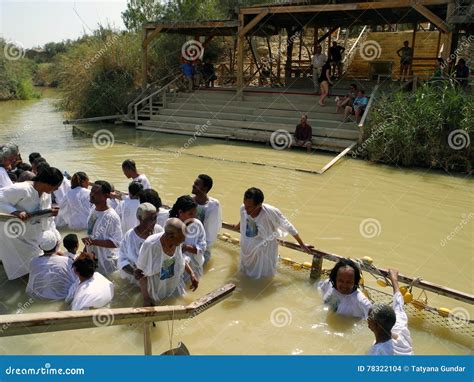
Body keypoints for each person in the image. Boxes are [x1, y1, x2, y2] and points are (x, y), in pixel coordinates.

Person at [233, 187, 313, 279]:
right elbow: (243, 218)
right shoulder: (243, 208)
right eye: (245, 205)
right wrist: (238, 226)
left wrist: (301, 244)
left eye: (249, 207)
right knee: (244, 273)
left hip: (264, 249)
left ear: (259, 205)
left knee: (264, 276)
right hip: (247, 246)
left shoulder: (271, 212)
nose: (246, 209)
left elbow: (288, 226)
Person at [0, 165, 62, 280]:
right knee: (23, 264)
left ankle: (28, 279)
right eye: (56, 187)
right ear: (47, 183)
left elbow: (45, 214)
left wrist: (50, 214)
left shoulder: (46, 194)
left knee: (33, 261)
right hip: (14, 234)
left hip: (33, 232)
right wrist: (15, 211)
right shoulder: (22, 189)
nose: (57, 190)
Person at [135, 218, 199, 306]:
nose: (183, 241)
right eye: (181, 238)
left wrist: (192, 274)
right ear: (170, 236)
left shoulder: (177, 242)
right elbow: (140, 274)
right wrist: (146, 299)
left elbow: (180, 259)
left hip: (175, 284)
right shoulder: (151, 245)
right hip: (157, 290)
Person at [367, 269, 414, 355]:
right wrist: (394, 280)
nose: (367, 320)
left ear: (376, 325)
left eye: (369, 318)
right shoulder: (401, 330)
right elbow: (398, 304)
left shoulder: (376, 353)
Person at [82, 180, 122, 276]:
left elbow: (116, 243)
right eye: (92, 191)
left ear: (106, 196)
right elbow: (90, 233)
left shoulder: (111, 217)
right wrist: (84, 252)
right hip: (93, 259)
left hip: (106, 263)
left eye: (96, 193)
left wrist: (92, 242)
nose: (92, 194)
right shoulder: (93, 209)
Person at [118, 203, 163, 285]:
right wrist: (133, 272)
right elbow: (122, 259)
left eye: (155, 218)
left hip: (155, 277)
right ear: (140, 218)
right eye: (149, 219)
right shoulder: (130, 236)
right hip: (136, 279)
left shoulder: (159, 230)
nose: (154, 222)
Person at [26, 230, 77, 300]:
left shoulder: (33, 261)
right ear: (56, 244)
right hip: (62, 297)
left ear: (40, 247)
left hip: (39, 298)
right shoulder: (67, 261)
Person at [169, 196, 207, 280]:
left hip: (195, 266)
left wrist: (186, 248)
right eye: (190, 214)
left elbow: (203, 246)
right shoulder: (171, 225)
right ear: (180, 212)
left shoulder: (197, 224)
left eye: (195, 213)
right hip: (178, 268)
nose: (194, 216)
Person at [191, 174, 222, 263]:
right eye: (194, 183)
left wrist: (201, 249)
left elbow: (211, 232)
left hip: (202, 248)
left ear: (205, 188)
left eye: (197, 184)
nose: (193, 185)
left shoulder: (213, 206)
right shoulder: (189, 201)